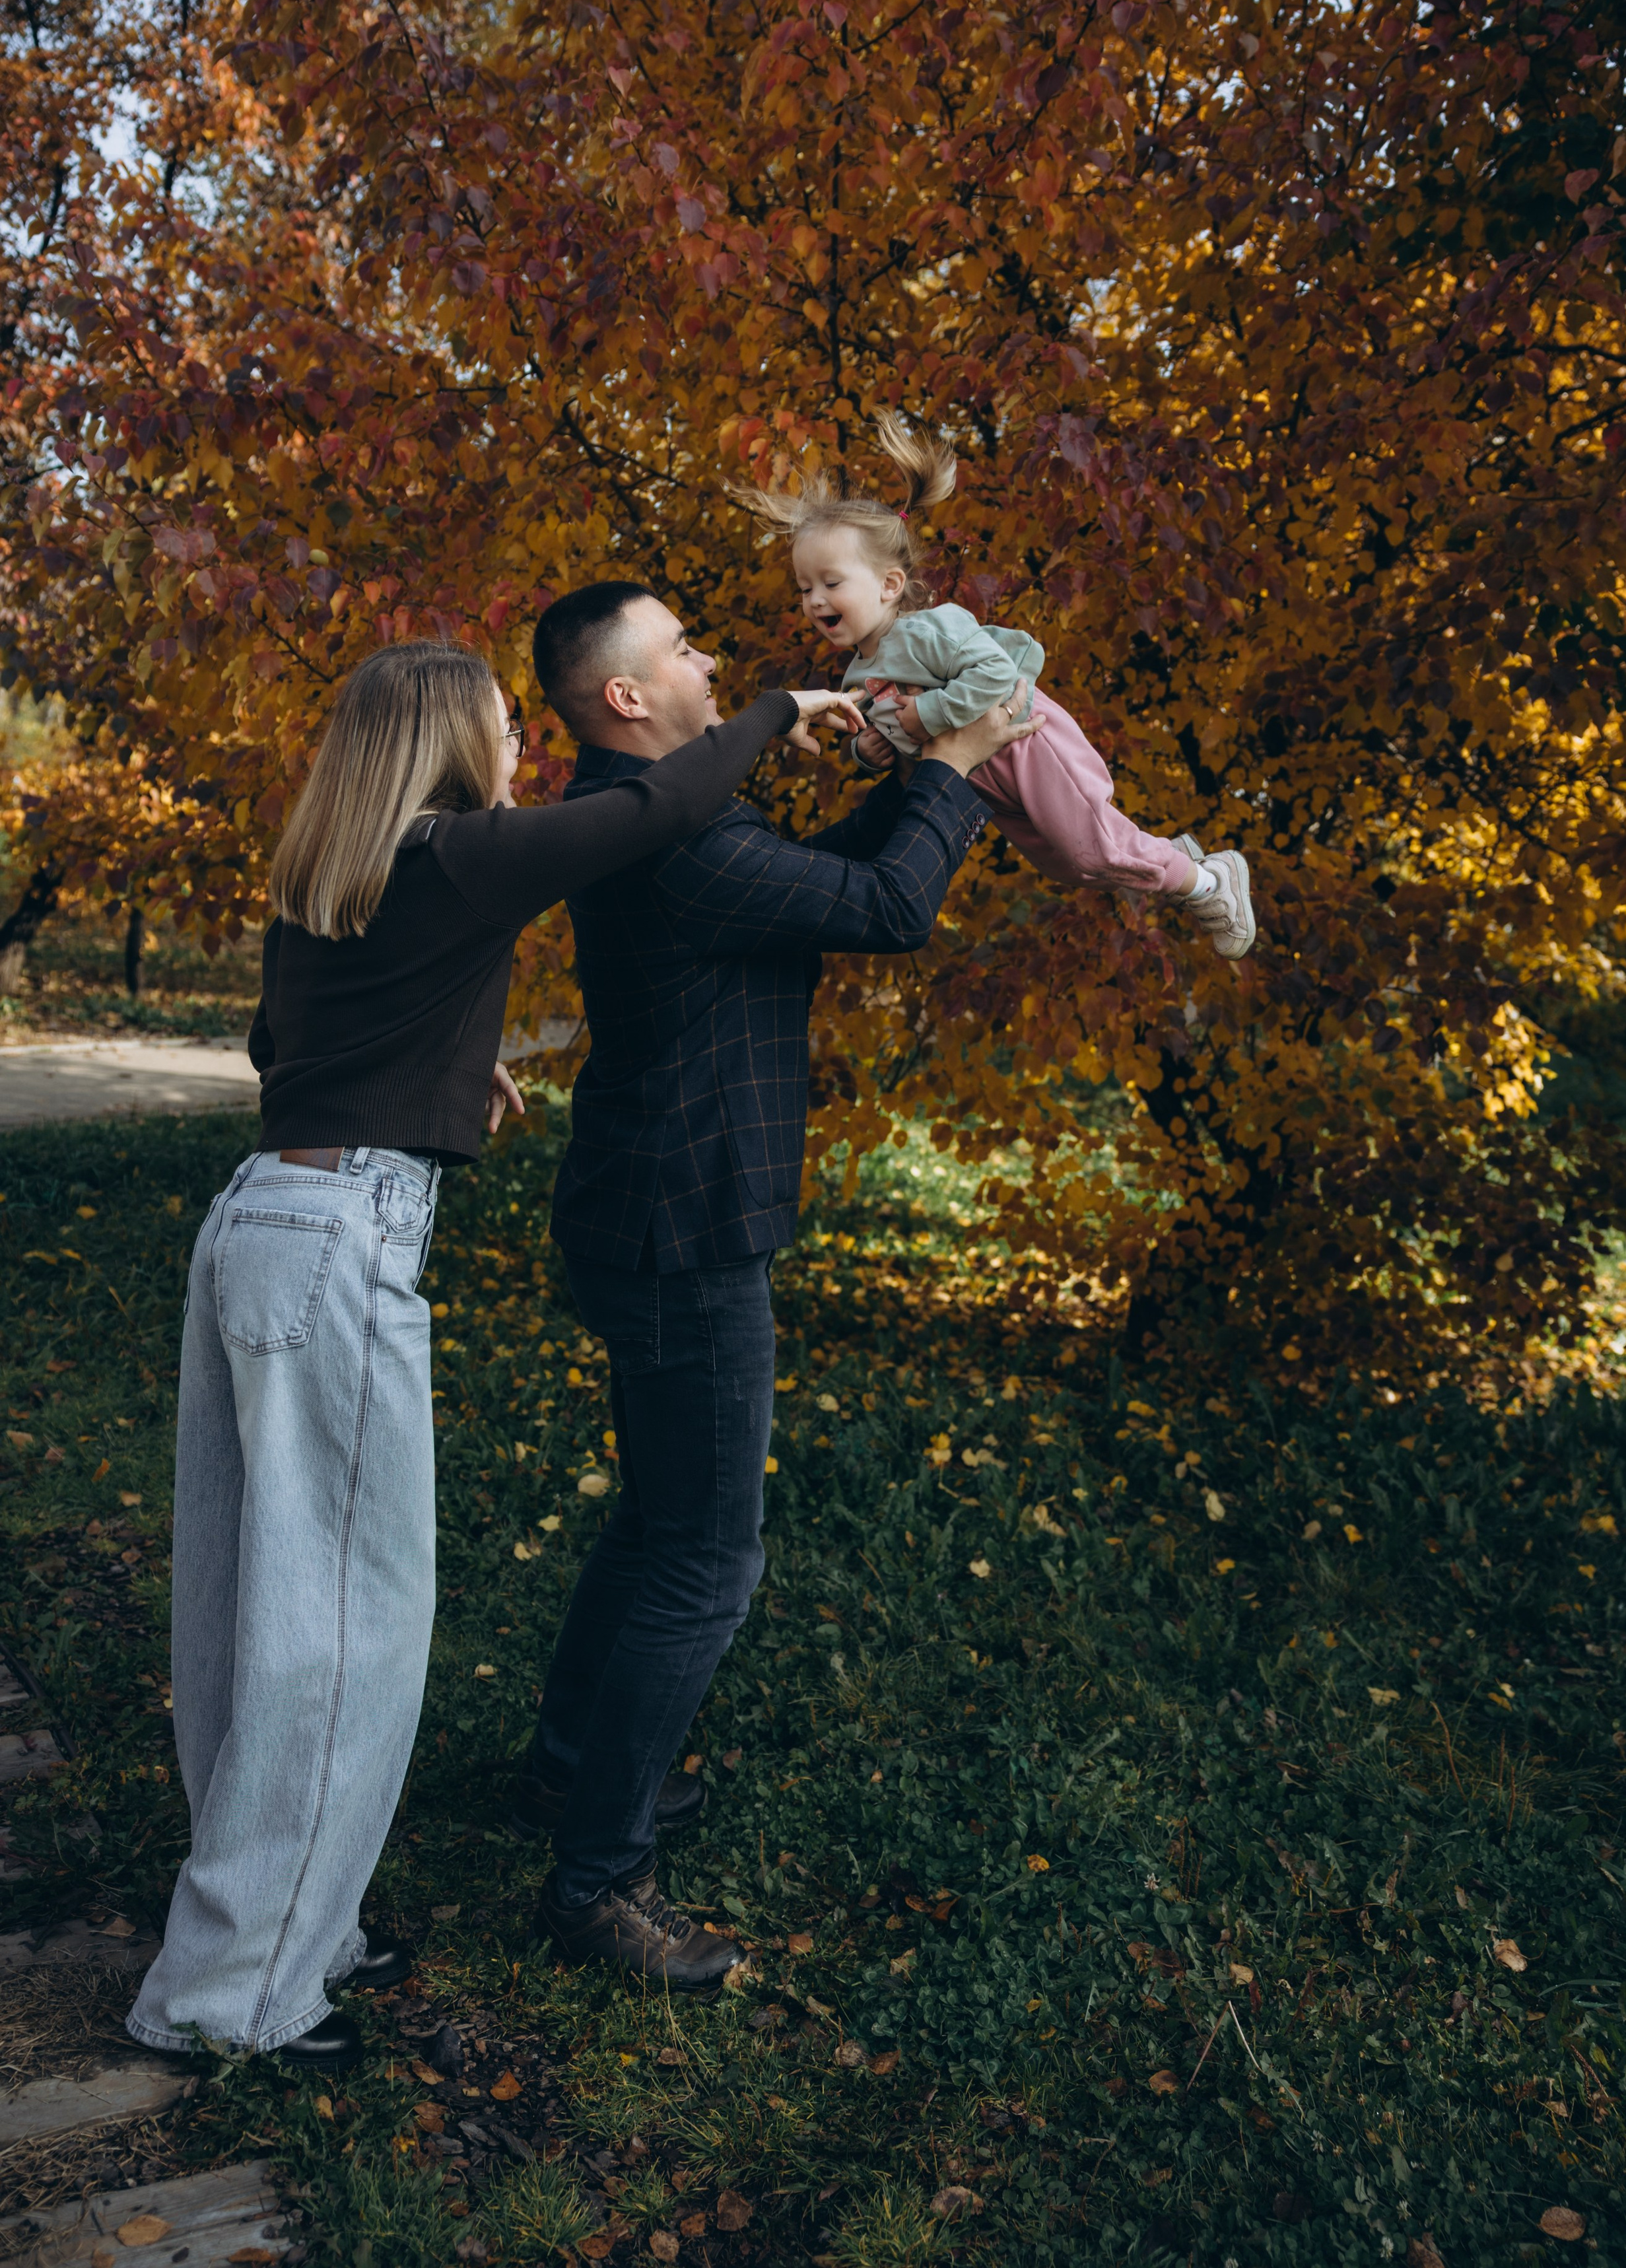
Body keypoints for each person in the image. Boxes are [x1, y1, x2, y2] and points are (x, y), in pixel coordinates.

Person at [125, 636, 863, 2074]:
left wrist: (451, 1074)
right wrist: (779, 710)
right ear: (456, 742)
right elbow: (651, 812)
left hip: (263, 1215)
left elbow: (289, 1041)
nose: (523, 750)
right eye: (503, 729)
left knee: (250, 1608)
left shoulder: (333, 862)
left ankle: (293, 1929)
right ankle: (229, 1998)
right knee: (344, 1627)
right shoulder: (462, 852)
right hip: (338, 1241)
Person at [512, 580, 1039, 1991]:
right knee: (705, 1558)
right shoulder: (671, 842)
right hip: (682, 1228)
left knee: (660, 1522)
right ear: (625, 697)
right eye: (680, 648)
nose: (709, 660)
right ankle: (599, 1882)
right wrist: (950, 766)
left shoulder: (675, 818)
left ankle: (571, 1772)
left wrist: (922, 775)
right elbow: (877, 910)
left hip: (650, 1207)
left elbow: (803, 890)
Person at [731, 411, 1256, 959]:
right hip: (984, 776)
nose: (814, 599)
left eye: (830, 583)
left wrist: (929, 715)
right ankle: (1175, 862)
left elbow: (997, 674)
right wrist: (870, 751)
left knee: (1094, 850)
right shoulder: (857, 675)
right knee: (1068, 863)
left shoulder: (930, 630)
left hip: (1027, 741)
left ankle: (1213, 882)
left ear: (889, 586)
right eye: (804, 587)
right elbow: (895, 735)